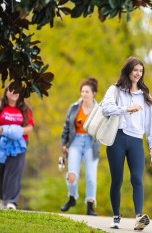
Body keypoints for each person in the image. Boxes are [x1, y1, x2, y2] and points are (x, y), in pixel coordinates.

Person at [102, 56, 152, 231]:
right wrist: (126, 109)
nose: (138, 73)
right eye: (135, 70)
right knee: (117, 179)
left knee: (137, 178)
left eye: (141, 71)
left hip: (136, 140)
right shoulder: (115, 90)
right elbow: (105, 108)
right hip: (117, 139)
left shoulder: (145, 95)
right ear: (128, 70)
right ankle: (116, 216)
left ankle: (139, 217)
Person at [60, 77, 100, 216]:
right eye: (82, 91)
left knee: (91, 176)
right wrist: (63, 144)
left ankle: (90, 205)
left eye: (87, 91)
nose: (84, 94)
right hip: (75, 141)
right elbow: (66, 127)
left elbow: (104, 128)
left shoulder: (99, 110)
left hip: (91, 143)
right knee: (72, 174)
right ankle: (72, 197)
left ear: (94, 93)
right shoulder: (74, 107)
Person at [0, 86, 34, 210]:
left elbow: (30, 128)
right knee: (1, 171)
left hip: (19, 145)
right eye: (11, 90)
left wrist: (13, 131)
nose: (14, 92)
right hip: (1, 145)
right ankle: (2, 199)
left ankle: (11, 202)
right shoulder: (0, 106)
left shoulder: (25, 108)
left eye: (17, 90)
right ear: (6, 92)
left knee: (14, 172)